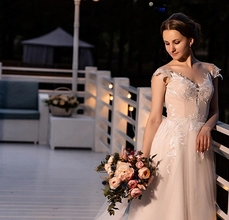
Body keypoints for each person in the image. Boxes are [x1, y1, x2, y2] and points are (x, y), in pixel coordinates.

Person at [95, 12, 222, 220]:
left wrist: (207, 127)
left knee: (196, 200)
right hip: (170, 143)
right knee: (165, 202)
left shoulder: (210, 71)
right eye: (166, 43)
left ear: (190, 40)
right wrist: (143, 159)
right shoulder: (163, 73)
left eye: (176, 42)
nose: (171, 48)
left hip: (199, 146)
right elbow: (154, 118)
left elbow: (215, 110)